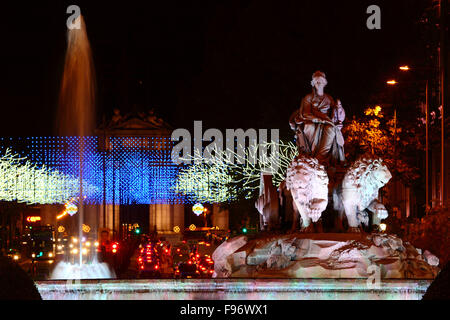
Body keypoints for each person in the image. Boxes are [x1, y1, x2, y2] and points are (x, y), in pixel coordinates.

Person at [289, 71, 345, 166]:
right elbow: (306, 113)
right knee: (309, 126)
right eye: (316, 81)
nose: (318, 83)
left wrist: (339, 114)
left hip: (327, 123)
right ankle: (309, 156)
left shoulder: (329, 99)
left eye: (320, 81)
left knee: (331, 129)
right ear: (313, 84)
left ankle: (320, 158)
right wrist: (318, 119)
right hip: (311, 121)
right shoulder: (308, 97)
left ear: (324, 83)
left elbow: (336, 115)